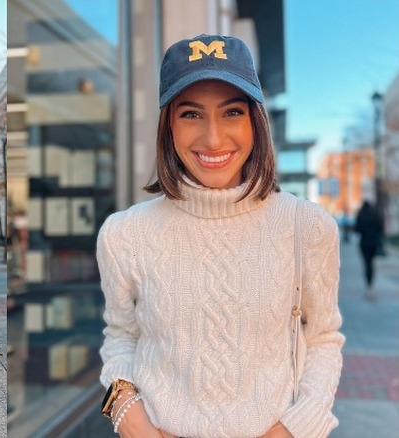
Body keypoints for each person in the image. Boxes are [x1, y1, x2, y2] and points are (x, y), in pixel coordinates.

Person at [97, 35, 344, 438]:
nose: (213, 139)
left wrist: (294, 430)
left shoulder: (307, 227)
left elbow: (322, 340)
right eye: (191, 114)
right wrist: (128, 417)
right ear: (169, 126)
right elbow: (121, 337)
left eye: (231, 112)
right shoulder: (125, 234)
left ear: (255, 120)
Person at [354, 200, 383, 300]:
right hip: (374, 243)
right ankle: (371, 286)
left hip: (364, 243)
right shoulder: (375, 215)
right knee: (371, 264)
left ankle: (368, 286)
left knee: (366, 264)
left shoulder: (361, 215)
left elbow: (356, 230)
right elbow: (381, 229)